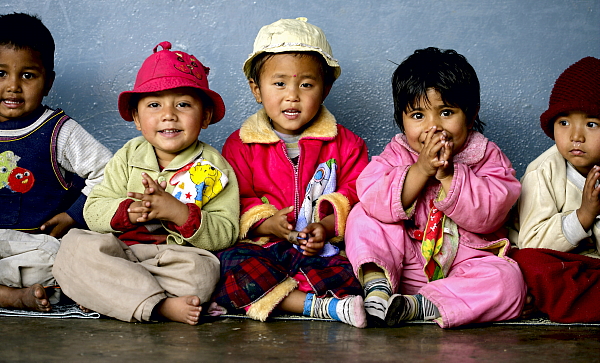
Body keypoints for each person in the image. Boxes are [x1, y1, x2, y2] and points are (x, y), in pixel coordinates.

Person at [52, 42, 239, 325]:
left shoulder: (214, 166)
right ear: (137, 118)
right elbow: (93, 210)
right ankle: (159, 305)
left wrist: (177, 212)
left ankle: (119, 297)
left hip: (173, 259)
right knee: (74, 247)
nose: (168, 114)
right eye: (154, 104)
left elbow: (226, 232)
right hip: (121, 253)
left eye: (183, 104)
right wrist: (125, 212)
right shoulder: (128, 155)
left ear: (206, 116)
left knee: (203, 273)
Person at [346, 47, 526, 328]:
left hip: (462, 268)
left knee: (510, 281)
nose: (433, 127)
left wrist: (448, 174)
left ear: (470, 113)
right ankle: (377, 287)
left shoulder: (487, 155)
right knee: (363, 213)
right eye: (418, 115)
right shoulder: (398, 152)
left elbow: (492, 214)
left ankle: (419, 306)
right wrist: (420, 170)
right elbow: (371, 192)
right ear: (401, 119)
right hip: (403, 266)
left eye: (445, 112)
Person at [212, 18, 369, 328]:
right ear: (256, 89)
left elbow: (357, 195)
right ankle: (315, 305)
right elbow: (236, 198)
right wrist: (268, 224)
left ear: (326, 89)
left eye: (306, 84)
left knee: (349, 273)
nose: (292, 95)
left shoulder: (347, 145)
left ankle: (292, 298)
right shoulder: (240, 144)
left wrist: (324, 226)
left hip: (321, 248)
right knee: (227, 267)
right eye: (279, 83)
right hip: (264, 247)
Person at [0, 13, 111, 312]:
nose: (13, 86)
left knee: (58, 265)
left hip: (36, 248)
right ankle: (14, 296)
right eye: (1, 74)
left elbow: (109, 172)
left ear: (48, 82)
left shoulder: (58, 131)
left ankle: (25, 293)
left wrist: (74, 215)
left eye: (27, 75)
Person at [511, 57, 600, 323]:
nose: (576, 136)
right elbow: (532, 243)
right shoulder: (543, 172)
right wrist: (584, 215)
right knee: (528, 265)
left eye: (591, 124)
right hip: (559, 264)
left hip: (592, 268)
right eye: (564, 123)